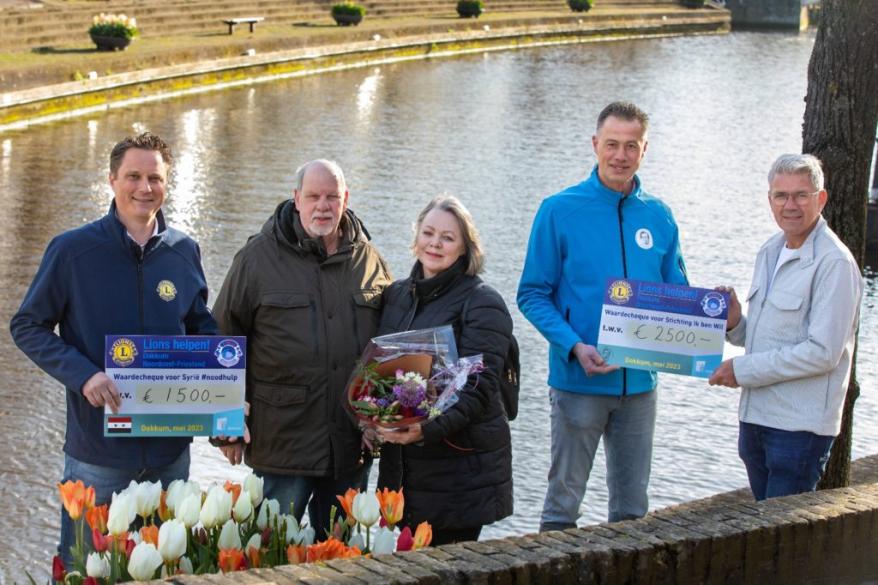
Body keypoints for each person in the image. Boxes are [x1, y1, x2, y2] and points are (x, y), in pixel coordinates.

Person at [9, 132, 217, 564]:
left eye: (155, 178)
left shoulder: (184, 251)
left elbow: (201, 331)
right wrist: (84, 374)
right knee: (83, 567)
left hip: (169, 451)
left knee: (163, 567)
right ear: (111, 180)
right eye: (134, 176)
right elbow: (28, 325)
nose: (145, 188)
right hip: (98, 454)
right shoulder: (72, 251)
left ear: (167, 182)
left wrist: (227, 402)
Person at [517, 101, 688, 530]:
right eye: (612, 144)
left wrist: (709, 309)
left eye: (631, 146)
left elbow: (677, 296)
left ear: (644, 150)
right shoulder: (559, 210)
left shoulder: (660, 216)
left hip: (640, 387)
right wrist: (573, 344)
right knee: (562, 509)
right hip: (579, 383)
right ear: (595, 145)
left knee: (632, 513)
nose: (620, 155)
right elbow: (532, 294)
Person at [212, 159, 392, 533]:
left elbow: (388, 348)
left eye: (331, 197)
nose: (322, 206)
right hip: (283, 444)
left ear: (346, 199)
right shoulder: (256, 259)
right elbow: (223, 341)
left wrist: (387, 417)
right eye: (312, 196)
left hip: (349, 447)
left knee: (341, 562)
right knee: (271, 557)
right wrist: (224, 425)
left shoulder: (369, 260)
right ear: (296, 199)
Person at [708, 154, 863, 501]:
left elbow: (821, 354)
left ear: (820, 199)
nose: (790, 205)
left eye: (801, 195)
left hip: (798, 429)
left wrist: (742, 370)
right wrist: (735, 324)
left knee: (781, 543)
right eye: (781, 196)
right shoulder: (770, 250)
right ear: (769, 200)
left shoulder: (834, 263)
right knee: (766, 533)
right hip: (757, 419)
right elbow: (771, 336)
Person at [375, 195, 514, 545]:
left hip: (458, 476)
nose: (435, 243)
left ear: (465, 249)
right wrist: (369, 419)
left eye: (448, 238)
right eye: (428, 232)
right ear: (416, 237)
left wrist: (423, 429)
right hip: (402, 470)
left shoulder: (483, 303)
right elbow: (378, 373)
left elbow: (477, 391)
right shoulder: (396, 296)